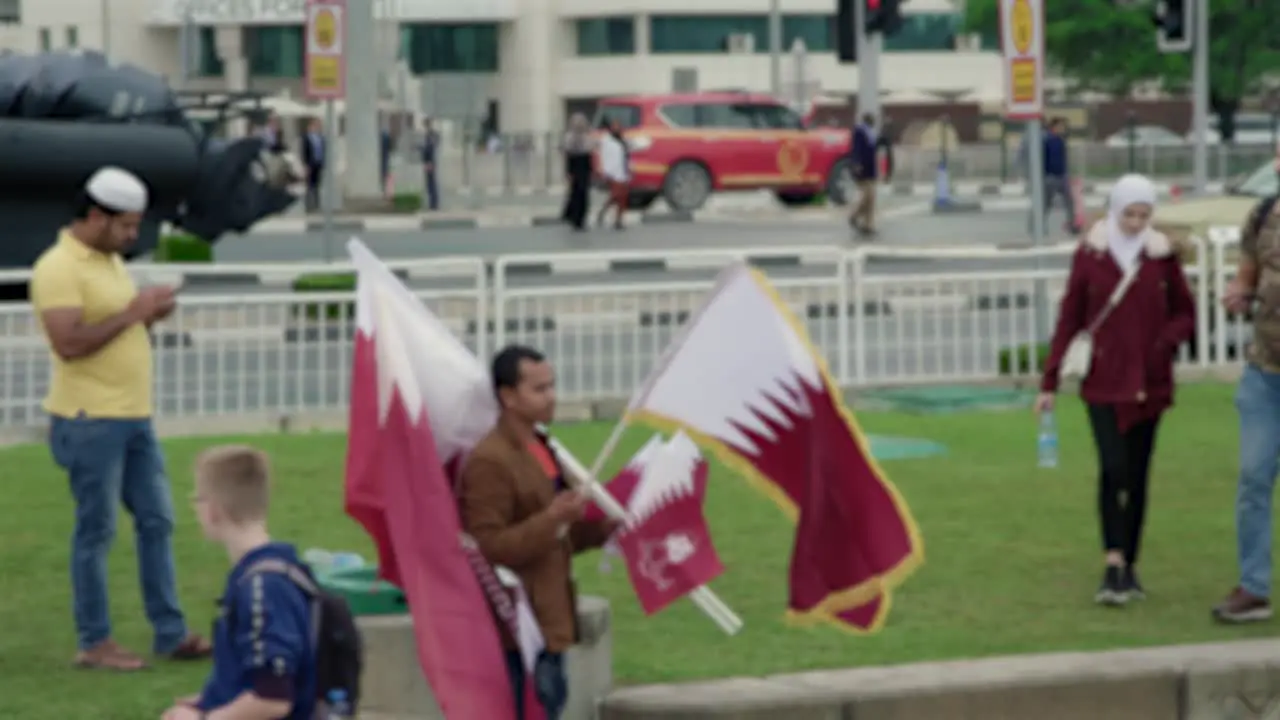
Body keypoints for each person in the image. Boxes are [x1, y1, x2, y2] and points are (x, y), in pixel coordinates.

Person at [31, 167, 211, 670]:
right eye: (126, 227)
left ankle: (170, 632)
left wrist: (149, 313)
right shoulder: (59, 267)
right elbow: (69, 343)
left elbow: (115, 323)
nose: (134, 236)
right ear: (95, 216)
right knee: (97, 531)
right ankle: (94, 641)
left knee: (158, 521)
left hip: (132, 416)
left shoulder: (109, 261)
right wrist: (136, 312)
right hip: (90, 420)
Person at [1035, 174, 1196, 606]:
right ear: (1115, 209)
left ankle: (1129, 563)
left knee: (1139, 472)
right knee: (1113, 468)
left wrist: (1164, 342)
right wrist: (1049, 381)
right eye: (1130, 214)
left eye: (1145, 215)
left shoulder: (1161, 257)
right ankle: (1111, 561)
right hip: (1104, 381)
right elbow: (1070, 318)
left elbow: (1187, 312)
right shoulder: (1091, 255)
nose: (1136, 222)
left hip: (1150, 383)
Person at [458, 345, 617, 719]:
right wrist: (552, 518)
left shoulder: (543, 447)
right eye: (539, 389)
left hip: (551, 621)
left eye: (552, 386)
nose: (551, 397)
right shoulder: (489, 460)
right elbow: (489, 547)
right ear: (508, 396)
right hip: (517, 631)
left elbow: (560, 536)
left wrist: (603, 528)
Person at [161, 446, 315, 720]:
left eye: (197, 499)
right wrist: (209, 699)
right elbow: (254, 676)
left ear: (213, 510)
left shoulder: (262, 588)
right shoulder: (272, 573)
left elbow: (273, 698)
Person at [1212, 150, 1280, 624]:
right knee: (1255, 478)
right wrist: (1238, 294)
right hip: (1265, 374)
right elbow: (1247, 276)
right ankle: (1254, 588)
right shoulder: (1261, 216)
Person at [1036, 118, 1080, 234]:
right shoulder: (1046, 140)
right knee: (1046, 204)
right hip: (1050, 177)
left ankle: (1072, 225)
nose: (1062, 129)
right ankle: (1039, 226)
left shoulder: (1061, 140)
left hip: (1062, 176)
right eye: (1060, 126)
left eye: (1063, 127)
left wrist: (1067, 174)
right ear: (1053, 127)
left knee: (1069, 201)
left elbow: (1063, 159)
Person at [560, 113, 594, 231]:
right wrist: (568, 172)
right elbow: (568, 156)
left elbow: (589, 155)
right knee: (575, 194)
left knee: (583, 194)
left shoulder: (587, 137)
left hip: (584, 168)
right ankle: (574, 218)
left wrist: (591, 170)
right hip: (575, 168)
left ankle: (581, 219)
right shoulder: (569, 137)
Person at [595, 118, 629, 230]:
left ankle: (618, 219)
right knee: (616, 195)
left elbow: (626, 155)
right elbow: (603, 155)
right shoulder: (606, 140)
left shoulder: (623, 140)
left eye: (618, 126)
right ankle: (605, 212)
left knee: (622, 197)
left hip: (623, 171)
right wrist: (603, 170)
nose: (617, 128)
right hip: (612, 172)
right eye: (614, 126)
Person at [849, 113, 878, 235]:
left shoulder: (871, 133)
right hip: (862, 169)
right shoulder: (859, 131)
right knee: (867, 197)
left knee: (871, 198)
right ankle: (854, 216)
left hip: (871, 169)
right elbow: (856, 148)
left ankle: (868, 225)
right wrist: (856, 164)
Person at [301, 118, 326, 213]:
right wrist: (305, 164)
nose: (318, 127)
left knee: (317, 184)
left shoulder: (321, 138)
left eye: (318, 125)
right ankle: (308, 205)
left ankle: (316, 204)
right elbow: (304, 151)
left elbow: (323, 150)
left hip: (318, 163)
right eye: (316, 125)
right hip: (310, 164)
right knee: (309, 184)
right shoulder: (306, 138)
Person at [420, 117, 440, 211]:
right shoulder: (430, 134)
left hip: (430, 161)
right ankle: (433, 203)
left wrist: (428, 162)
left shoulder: (431, 135)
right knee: (430, 183)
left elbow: (429, 149)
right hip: (429, 161)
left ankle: (433, 204)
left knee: (431, 183)